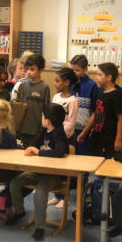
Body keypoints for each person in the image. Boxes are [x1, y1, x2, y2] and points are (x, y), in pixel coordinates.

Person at [6, 103, 69, 241]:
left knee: (40, 192)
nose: (41, 118)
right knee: (15, 182)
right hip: (38, 171)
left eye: (42, 116)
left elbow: (59, 152)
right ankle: (19, 211)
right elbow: (34, 142)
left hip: (54, 176)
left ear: (48, 120)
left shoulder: (59, 133)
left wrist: (38, 152)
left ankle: (39, 227)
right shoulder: (44, 129)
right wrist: (31, 148)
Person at [77, 62, 122, 158]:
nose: (96, 77)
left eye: (99, 75)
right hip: (97, 135)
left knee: (108, 166)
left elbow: (120, 119)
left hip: (110, 138)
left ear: (109, 77)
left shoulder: (117, 94)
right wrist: (85, 132)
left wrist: (118, 139)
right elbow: (96, 114)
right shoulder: (100, 91)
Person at [49, 67, 78, 208]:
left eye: (57, 81)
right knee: (54, 168)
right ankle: (56, 195)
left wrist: (57, 133)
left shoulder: (73, 100)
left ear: (67, 82)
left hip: (65, 138)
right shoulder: (56, 97)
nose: (55, 83)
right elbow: (50, 116)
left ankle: (64, 197)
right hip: (54, 136)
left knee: (64, 170)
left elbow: (70, 123)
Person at [15, 54, 50, 147]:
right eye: (27, 69)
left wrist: (42, 129)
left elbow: (46, 110)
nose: (29, 72)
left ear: (41, 70)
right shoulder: (22, 86)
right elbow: (17, 108)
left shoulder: (44, 87)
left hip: (36, 131)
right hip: (22, 129)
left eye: (32, 69)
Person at [70, 55, 98, 155]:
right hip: (69, 129)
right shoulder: (68, 82)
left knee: (83, 159)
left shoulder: (92, 85)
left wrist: (85, 131)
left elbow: (95, 111)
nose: (73, 73)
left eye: (77, 70)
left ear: (85, 69)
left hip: (83, 129)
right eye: (72, 69)